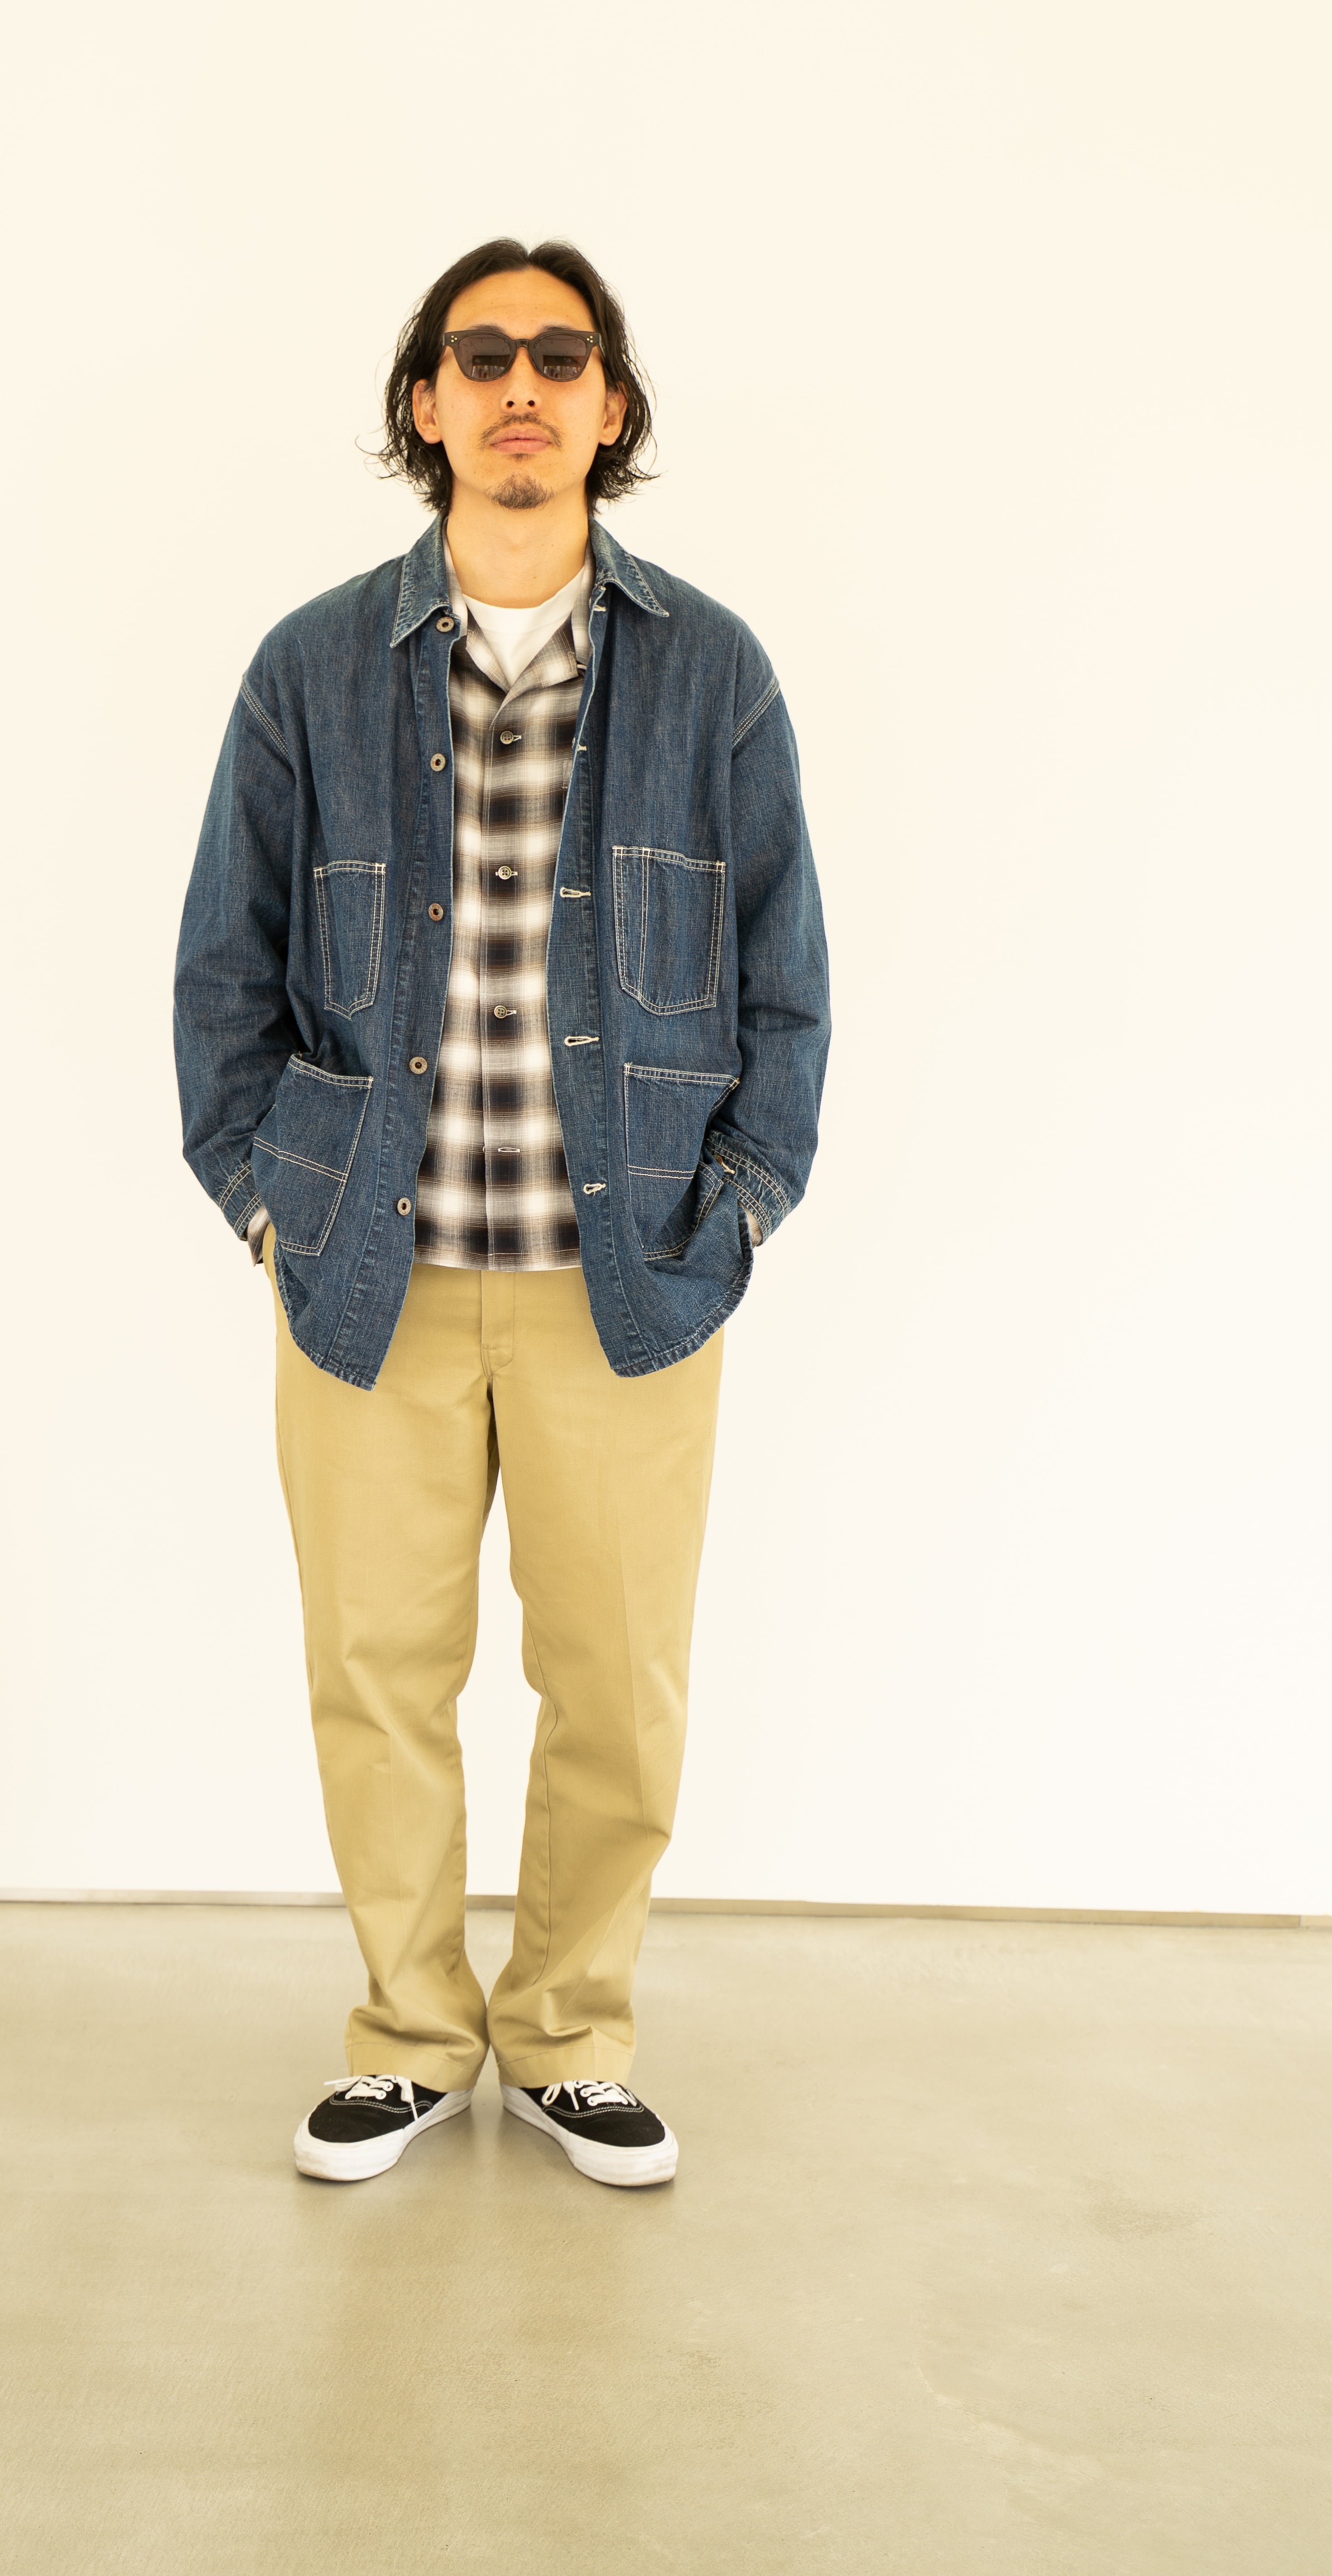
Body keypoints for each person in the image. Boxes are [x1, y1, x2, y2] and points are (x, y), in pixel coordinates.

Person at [173, 239, 829, 2188]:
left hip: (625, 1277)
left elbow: (786, 979)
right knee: (376, 1674)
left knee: (613, 1684)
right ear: (427, 403)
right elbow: (223, 975)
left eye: (561, 353)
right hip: (364, 1268)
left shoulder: (711, 673)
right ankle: (406, 2035)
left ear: (610, 405)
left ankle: (565, 2034)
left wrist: (742, 1210)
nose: (520, 383)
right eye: (481, 355)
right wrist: (269, 1207)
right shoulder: (311, 668)